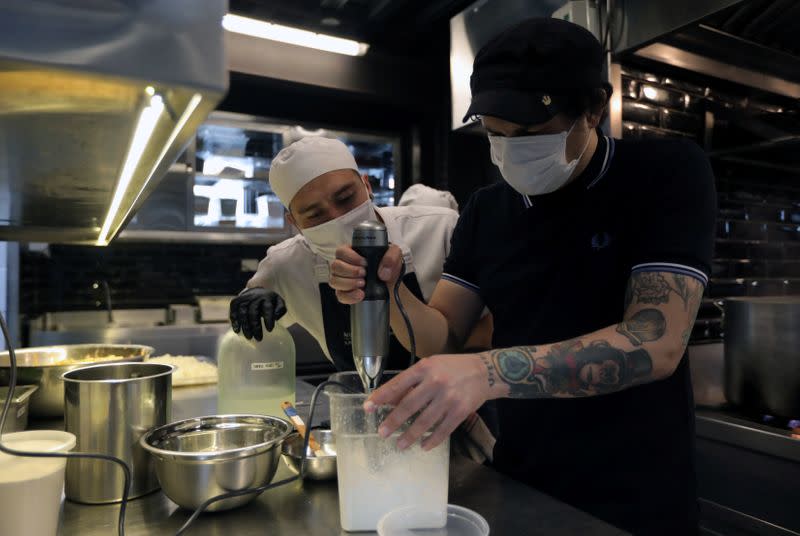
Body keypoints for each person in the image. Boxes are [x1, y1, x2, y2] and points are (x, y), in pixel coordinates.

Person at [330, 18, 716, 535]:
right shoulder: (488, 210)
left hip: (634, 495)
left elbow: (656, 340)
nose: (510, 148)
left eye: (531, 133)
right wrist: (391, 287)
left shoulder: (664, 174)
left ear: (594, 109)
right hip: (523, 479)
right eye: (494, 132)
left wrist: (486, 373)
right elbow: (440, 334)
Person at [229, 136, 480, 372]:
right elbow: (251, 334)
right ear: (294, 221)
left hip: (455, 402)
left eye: (346, 198)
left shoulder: (441, 229)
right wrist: (251, 305)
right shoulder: (285, 265)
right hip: (361, 405)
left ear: (366, 185)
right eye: (315, 214)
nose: (338, 218)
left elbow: (484, 329)